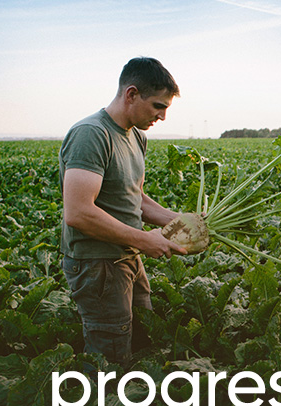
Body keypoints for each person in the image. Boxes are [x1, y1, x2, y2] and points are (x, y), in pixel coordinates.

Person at [59, 57, 187, 369]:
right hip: (97, 264)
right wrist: (145, 240)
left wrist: (179, 222)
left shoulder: (136, 136)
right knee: (110, 356)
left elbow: (134, 196)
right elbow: (78, 213)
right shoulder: (92, 134)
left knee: (142, 338)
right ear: (131, 94)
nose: (163, 116)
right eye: (158, 105)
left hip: (128, 256)